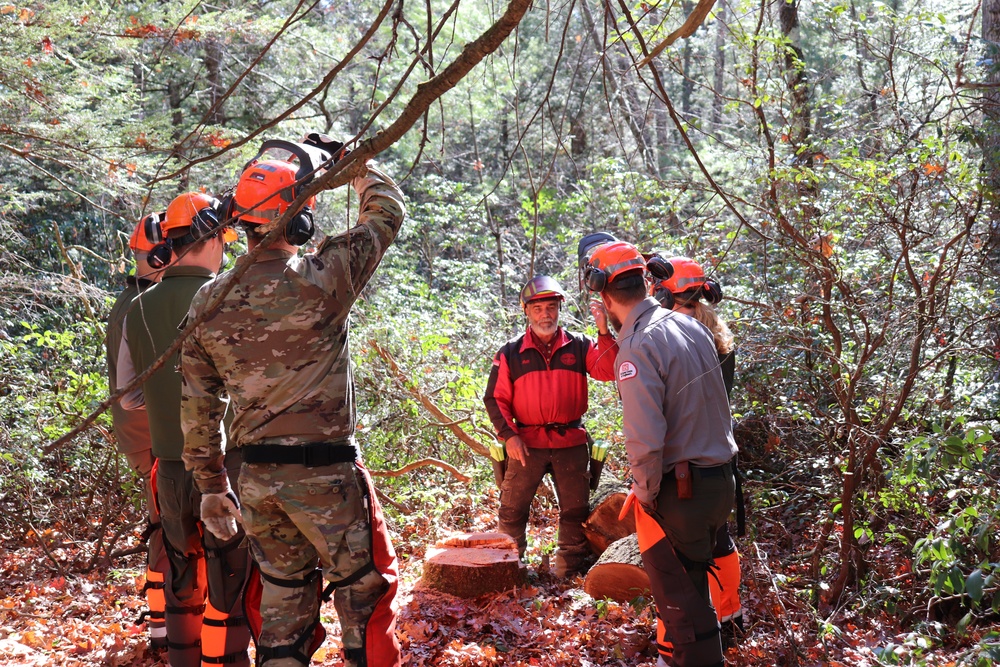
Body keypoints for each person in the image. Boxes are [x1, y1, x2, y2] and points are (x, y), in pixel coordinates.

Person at [179, 138, 405, 667]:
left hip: (256, 484)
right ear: (299, 222)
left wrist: (212, 487)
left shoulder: (208, 301)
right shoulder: (323, 277)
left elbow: (198, 407)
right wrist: (359, 166)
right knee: (364, 595)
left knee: (282, 601)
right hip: (325, 476)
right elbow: (388, 209)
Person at [585, 241, 737, 667]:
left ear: (602, 293)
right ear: (647, 280)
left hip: (680, 492)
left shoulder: (636, 346)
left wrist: (647, 492)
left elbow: (644, 437)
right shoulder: (692, 328)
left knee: (683, 611)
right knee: (695, 596)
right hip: (719, 480)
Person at [119, 193, 251, 667]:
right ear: (213, 237)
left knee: (179, 575)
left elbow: (128, 396)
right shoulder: (230, 297)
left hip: (169, 469)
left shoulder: (136, 308)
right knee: (229, 576)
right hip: (227, 466)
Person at [483, 274, 618, 578]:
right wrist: (510, 437)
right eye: (538, 308)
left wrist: (603, 330)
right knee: (512, 509)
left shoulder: (580, 345)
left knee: (575, 511)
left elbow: (609, 370)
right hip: (526, 443)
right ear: (527, 312)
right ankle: (510, 568)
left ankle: (567, 572)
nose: (546, 314)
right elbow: (494, 399)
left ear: (559, 309)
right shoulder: (510, 353)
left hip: (570, 441)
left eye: (551, 307)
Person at [651, 256, 744, 641]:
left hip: (686, 467)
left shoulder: (681, 336)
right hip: (719, 462)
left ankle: (680, 638)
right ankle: (729, 618)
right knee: (719, 540)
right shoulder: (714, 334)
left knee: (677, 557)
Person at [104, 214, 169, 650]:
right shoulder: (144, 305)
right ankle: (167, 628)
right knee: (166, 529)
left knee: (162, 525)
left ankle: (168, 624)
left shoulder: (132, 299)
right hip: (153, 436)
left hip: (144, 434)